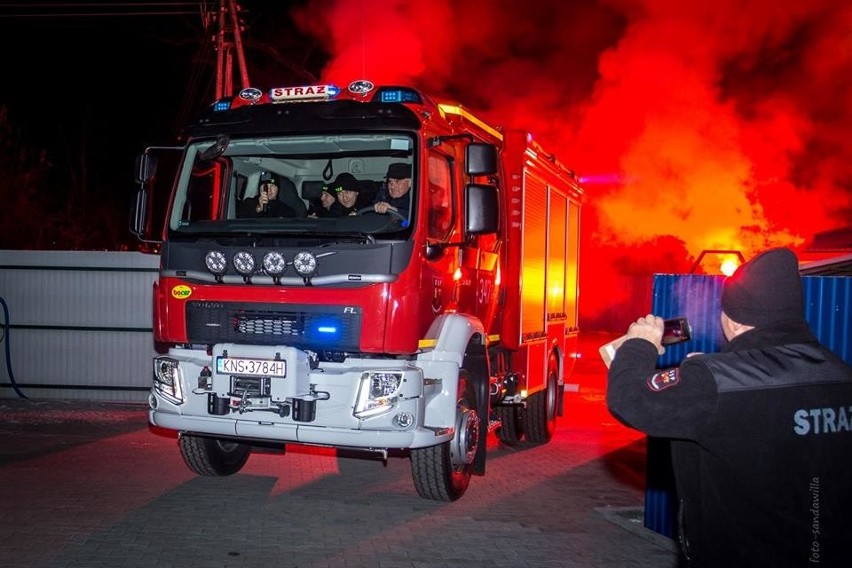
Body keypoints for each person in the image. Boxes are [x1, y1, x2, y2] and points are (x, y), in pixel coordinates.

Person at [606, 247, 852, 568]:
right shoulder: (841, 375)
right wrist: (703, 377)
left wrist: (640, 343)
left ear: (732, 320)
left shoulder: (716, 381)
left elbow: (629, 399)